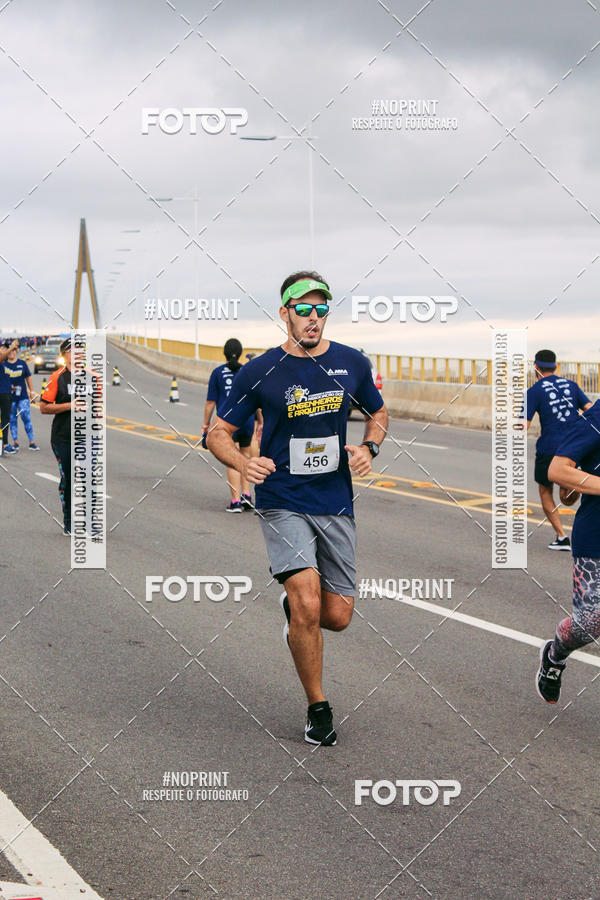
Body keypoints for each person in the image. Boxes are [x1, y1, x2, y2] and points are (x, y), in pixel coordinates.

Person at [207, 271, 388, 746]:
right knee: (309, 600)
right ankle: (318, 706)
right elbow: (217, 432)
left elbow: (378, 411)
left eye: (320, 308)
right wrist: (244, 463)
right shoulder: (260, 370)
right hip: (282, 498)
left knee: (338, 615)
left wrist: (370, 446)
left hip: (334, 499)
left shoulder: (351, 363)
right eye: (302, 308)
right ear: (284, 312)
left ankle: (293, 610)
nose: (313, 317)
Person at [536, 401, 600, 702]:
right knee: (590, 622)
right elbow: (558, 470)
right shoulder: (598, 416)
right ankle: (555, 654)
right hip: (596, 536)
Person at [526, 349, 592, 550]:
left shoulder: (534, 391)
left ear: (536, 368)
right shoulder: (571, 385)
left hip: (549, 448)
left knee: (545, 491)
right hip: (576, 447)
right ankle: (572, 496)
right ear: (556, 367)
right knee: (584, 487)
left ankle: (562, 537)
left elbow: (524, 425)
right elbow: (589, 408)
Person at [202, 338, 256, 512]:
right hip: (247, 420)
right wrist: (260, 421)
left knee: (232, 459)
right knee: (245, 456)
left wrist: (205, 425)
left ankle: (235, 502)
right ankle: (247, 496)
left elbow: (211, 402)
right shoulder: (247, 371)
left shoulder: (217, 373)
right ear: (240, 353)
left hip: (226, 423)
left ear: (224, 353)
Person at [39, 338, 75, 534]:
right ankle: (69, 521)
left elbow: (98, 407)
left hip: (86, 438)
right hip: (63, 437)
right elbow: (43, 407)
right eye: (74, 349)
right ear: (65, 354)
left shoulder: (92, 377)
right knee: (68, 479)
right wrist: (70, 406)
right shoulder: (57, 377)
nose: (79, 352)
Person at [4, 344, 39, 451]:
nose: (11, 352)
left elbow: (28, 378)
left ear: (16, 351)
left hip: (23, 396)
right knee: (13, 420)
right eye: (9, 350)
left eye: (14, 350)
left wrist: (32, 392)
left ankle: (31, 442)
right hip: (9, 397)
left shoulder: (22, 363)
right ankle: (15, 442)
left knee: (26, 418)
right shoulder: (3, 365)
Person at [0, 338, 19, 454]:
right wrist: (12, 347)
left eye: (6, 348)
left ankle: (5, 443)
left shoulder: (4, 363)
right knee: (4, 419)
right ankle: (5, 444)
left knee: (6, 419)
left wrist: (10, 386)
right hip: (2, 394)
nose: (5, 350)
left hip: (6, 393)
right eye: (2, 347)